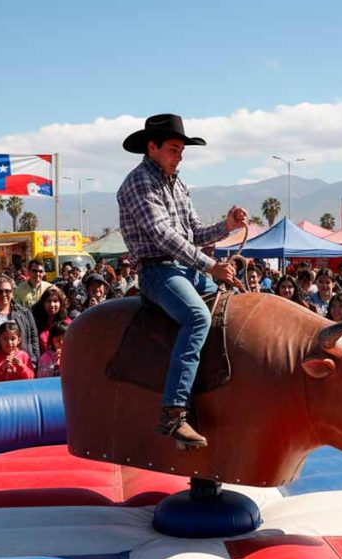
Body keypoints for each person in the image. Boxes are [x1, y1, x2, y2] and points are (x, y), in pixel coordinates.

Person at [116, 113, 246, 448]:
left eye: (182, 150)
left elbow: (193, 233)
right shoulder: (138, 184)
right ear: (152, 147)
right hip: (157, 272)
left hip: (184, 269)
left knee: (230, 305)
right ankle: (173, 413)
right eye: (174, 149)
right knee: (197, 316)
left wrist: (226, 226)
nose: (180, 155)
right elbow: (163, 237)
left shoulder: (178, 184)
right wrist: (209, 266)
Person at [0, 274, 39, 366]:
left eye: (8, 291)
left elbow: (33, 338)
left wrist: (33, 361)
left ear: (12, 293)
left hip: (22, 365)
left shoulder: (24, 313)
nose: (4, 294)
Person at [32, 287, 71, 353]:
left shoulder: (68, 323)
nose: (52, 305)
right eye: (49, 301)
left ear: (60, 303)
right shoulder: (35, 323)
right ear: (43, 304)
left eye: (55, 301)